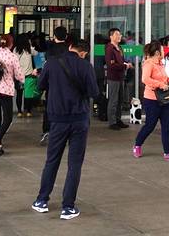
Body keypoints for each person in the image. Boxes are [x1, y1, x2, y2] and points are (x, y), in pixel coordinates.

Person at [31, 40, 99, 220]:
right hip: (79, 120)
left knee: (52, 160)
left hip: (57, 120)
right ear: (84, 53)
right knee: (74, 164)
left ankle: (41, 200)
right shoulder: (86, 66)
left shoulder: (51, 64)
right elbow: (94, 92)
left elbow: (40, 86)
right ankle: (68, 207)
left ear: (70, 47)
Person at [132, 40, 169, 162]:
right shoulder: (148, 63)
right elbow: (145, 79)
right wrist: (160, 84)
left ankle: (168, 152)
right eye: (162, 50)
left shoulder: (161, 64)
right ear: (157, 52)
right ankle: (137, 145)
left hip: (164, 100)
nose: (164, 52)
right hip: (151, 100)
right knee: (150, 125)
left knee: (167, 127)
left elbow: (163, 79)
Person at [40, 25, 69, 144]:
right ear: (66, 36)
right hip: (67, 84)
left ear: (54, 36)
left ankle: (47, 130)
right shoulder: (69, 49)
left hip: (51, 84)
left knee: (49, 108)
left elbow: (46, 67)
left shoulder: (49, 50)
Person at [105, 27, 133, 130]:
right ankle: (112, 122)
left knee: (120, 99)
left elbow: (121, 60)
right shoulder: (109, 48)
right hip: (113, 77)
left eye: (120, 34)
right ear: (111, 36)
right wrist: (125, 66)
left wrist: (126, 64)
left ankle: (118, 119)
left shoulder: (119, 47)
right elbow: (111, 65)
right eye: (117, 34)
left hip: (121, 77)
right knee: (113, 100)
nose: (119, 36)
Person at [15, 33, 37, 117]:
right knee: (28, 94)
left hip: (19, 76)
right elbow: (37, 54)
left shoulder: (16, 50)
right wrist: (30, 45)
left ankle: (19, 112)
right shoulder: (30, 49)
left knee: (19, 94)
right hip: (29, 75)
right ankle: (28, 111)